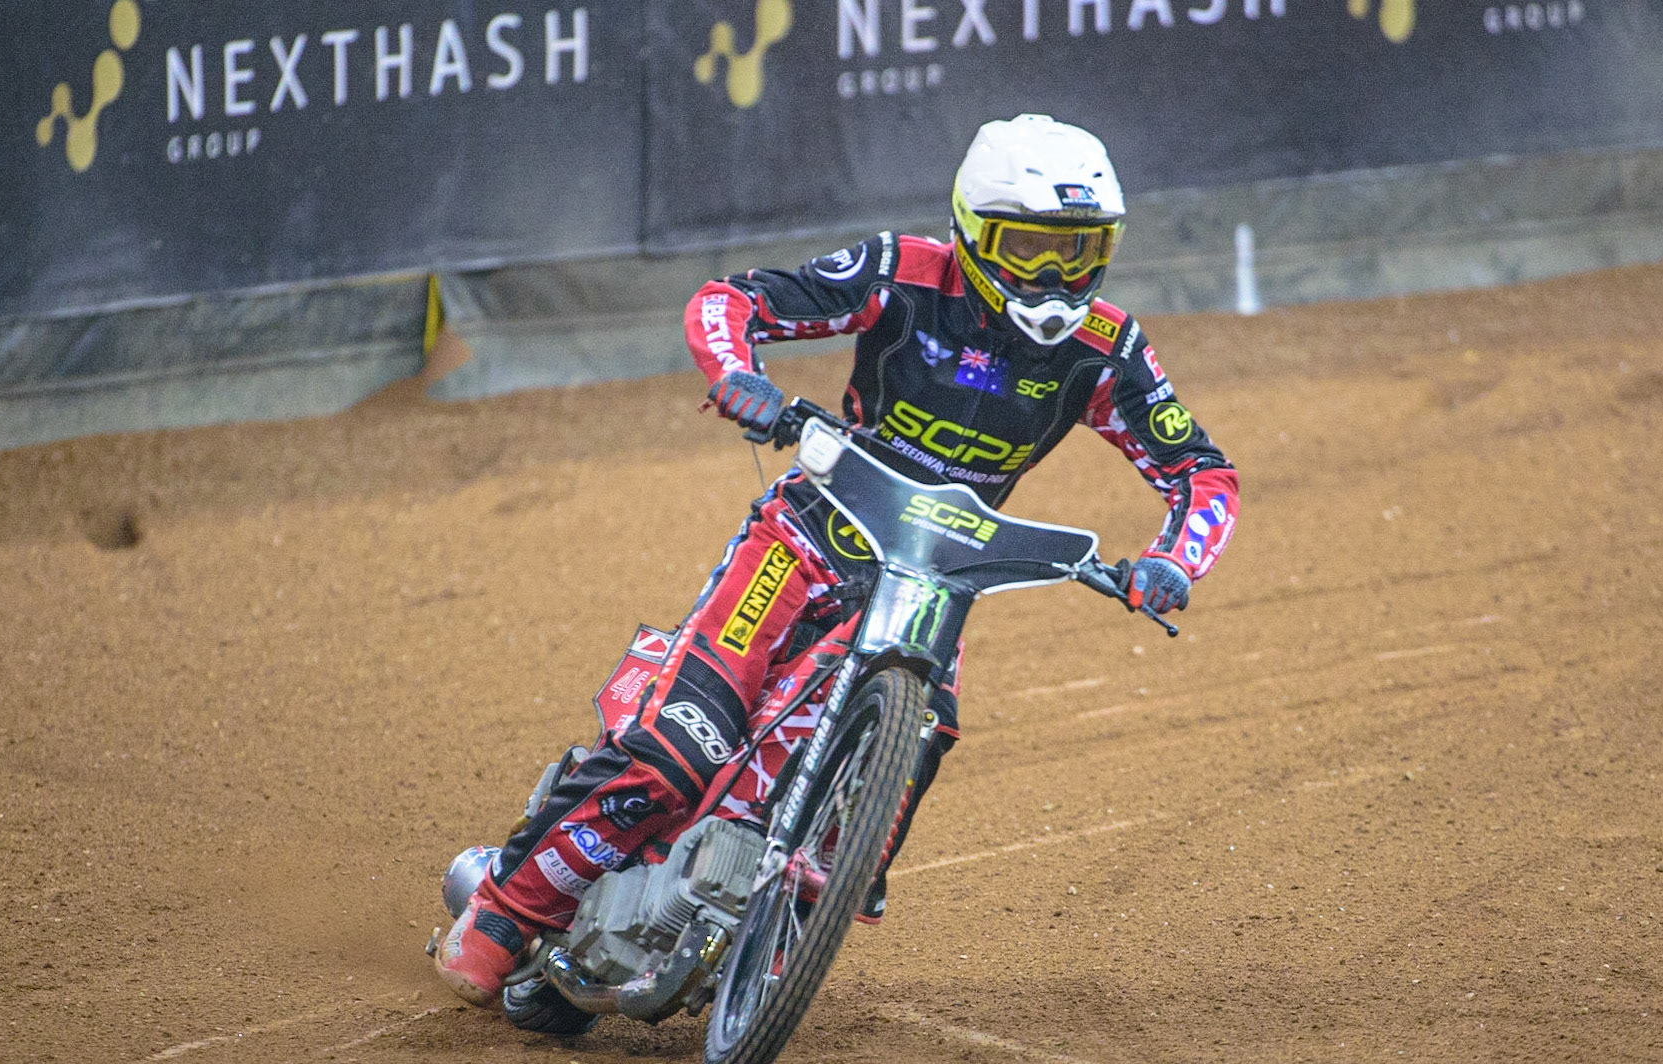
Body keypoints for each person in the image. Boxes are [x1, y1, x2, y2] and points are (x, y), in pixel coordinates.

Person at [435, 113, 1239, 1007]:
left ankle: (789, 893)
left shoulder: (1107, 350)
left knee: (922, 736)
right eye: (1031, 248)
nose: (1057, 277)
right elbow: (728, 299)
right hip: (805, 543)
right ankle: (505, 912)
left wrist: (1174, 562)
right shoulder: (902, 272)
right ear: (973, 232)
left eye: (1082, 253)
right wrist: (737, 375)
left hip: (934, 583)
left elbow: (1204, 475)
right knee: (678, 753)